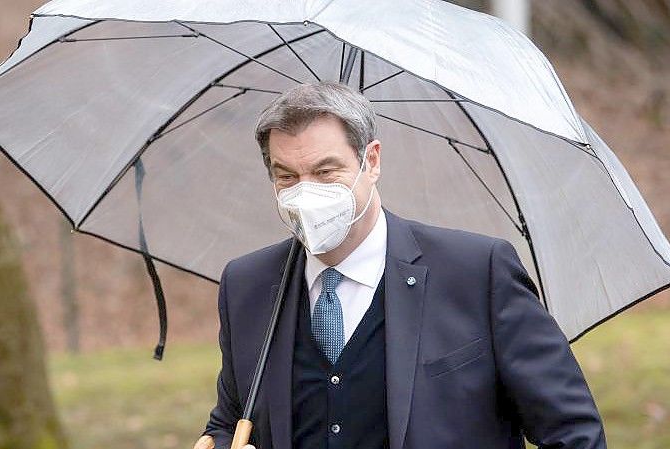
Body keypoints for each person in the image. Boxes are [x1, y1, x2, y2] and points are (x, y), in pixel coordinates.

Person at [193, 81, 606, 449]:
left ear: (371, 161)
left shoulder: (477, 273)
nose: (306, 192)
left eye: (325, 171)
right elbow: (231, 419)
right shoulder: (246, 284)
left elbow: (572, 432)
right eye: (287, 176)